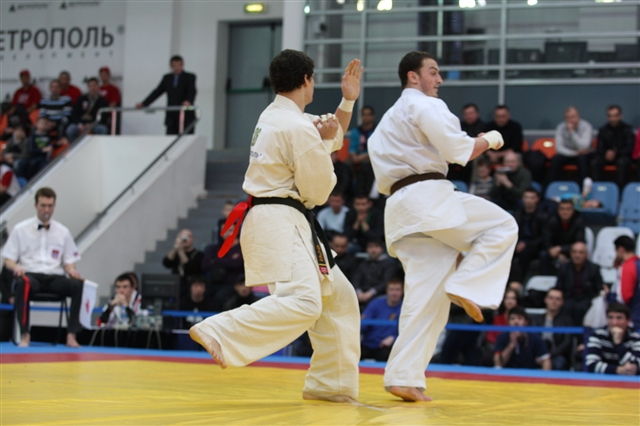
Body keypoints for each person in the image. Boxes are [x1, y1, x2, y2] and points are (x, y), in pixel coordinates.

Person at [189, 50, 363, 403]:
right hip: (280, 221)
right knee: (304, 302)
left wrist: (347, 101)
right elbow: (318, 190)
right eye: (313, 79)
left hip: (279, 218)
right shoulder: (296, 126)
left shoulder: (275, 116)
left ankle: (331, 385)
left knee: (339, 299)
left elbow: (330, 136)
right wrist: (324, 144)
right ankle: (220, 331)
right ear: (306, 80)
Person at [367, 51, 518, 401]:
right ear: (413, 77)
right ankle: (468, 286)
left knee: (425, 300)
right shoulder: (423, 104)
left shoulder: (387, 120)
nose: (439, 79)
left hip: (400, 210)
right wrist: (491, 138)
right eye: (433, 72)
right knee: (503, 225)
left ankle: (403, 377)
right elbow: (458, 150)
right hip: (427, 197)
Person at [1, 187, 83, 347]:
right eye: (43, 205)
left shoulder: (63, 231)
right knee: (22, 284)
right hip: (31, 275)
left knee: (77, 285)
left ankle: (71, 335)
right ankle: (25, 334)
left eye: (50, 206)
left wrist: (71, 269)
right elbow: (8, 260)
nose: (47, 210)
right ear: (36, 205)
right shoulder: (20, 229)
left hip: (55, 277)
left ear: (54, 206)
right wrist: (16, 267)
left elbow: (69, 261)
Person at [136, 55, 197, 135]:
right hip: (171, 116)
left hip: (186, 115)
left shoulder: (190, 77)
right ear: (171, 66)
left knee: (186, 138)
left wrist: (189, 101)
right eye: (175, 65)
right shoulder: (167, 78)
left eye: (179, 65)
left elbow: (192, 90)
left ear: (182, 65)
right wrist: (144, 103)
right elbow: (157, 92)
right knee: (170, 137)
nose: (177, 68)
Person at [555, 242, 603, 325]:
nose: (577, 255)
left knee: (581, 308)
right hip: (568, 298)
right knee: (566, 307)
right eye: (574, 252)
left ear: (586, 255)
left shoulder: (594, 269)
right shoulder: (564, 268)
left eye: (581, 252)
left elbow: (598, 288)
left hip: (587, 299)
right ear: (570, 254)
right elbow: (559, 287)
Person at [585, 303, 640, 375]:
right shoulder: (597, 335)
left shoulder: (635, 337)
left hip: (629, 380)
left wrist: (618, 344)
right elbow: (591, 365)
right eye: (610, 317)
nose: (614, 323)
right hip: (601, 379)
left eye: (619, 318)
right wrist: (618, 370)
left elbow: (635, 366)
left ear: (628, 321)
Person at [591, 105, 635, 190]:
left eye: (615, 116)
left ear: (620, 116)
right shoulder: (603, 130)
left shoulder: (627, 129)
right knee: (595, 162)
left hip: (622, 156)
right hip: (606, 157)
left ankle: (620, 191)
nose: (613, 119)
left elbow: (629, 147)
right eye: (610, 116)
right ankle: (597, 189)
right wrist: (606, 153)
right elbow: (599, 148)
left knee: (622, 163)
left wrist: (616, 153)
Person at [201, 225, 244, 311]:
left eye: (230, 230)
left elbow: (236, 264)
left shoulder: (241, 248)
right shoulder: (214, 248)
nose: (228, 233)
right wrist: (229, 260)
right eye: (225, 230)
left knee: (219, 298)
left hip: (233, 284)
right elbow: (204, 265)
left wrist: (215, 260)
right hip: (214, 282)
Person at [360, 278, 403, 362]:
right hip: (368, 344)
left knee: (388, 355)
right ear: (387, 291)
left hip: (388, 347)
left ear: (402, 291)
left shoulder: (406, 307)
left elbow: (409, 330)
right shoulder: (376, 303)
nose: (394, 293)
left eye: (398, 290)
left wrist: (394, 338)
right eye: (391, 290)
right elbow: (362, 325)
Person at [548, 107, 593, 185]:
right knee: (556, 159)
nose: (571, 120)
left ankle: (584, 187)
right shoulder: (561, 127)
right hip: (569, 153)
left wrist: (572, 132)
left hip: (583, 154)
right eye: (568, 118)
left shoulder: (586, 126)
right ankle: (550, 187)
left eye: (573, 117)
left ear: (578, 116)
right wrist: (574, 153)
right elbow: (559, 148)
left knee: (582, 159)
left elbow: (584, 147)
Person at [530, 288, 574, 370]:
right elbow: (532, 339)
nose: (554, 301)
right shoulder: (536, 320)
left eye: (557, 299)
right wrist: (540, 354)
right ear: (545, 299)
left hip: (556, 355)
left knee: (559, 363)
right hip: (538, 354)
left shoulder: (566, 321)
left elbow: (567, 343)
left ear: (562, 302)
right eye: (551, 298)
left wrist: (549, 355)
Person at [540, 199, 586, 275]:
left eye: (568, 209)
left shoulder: (579, 221)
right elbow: (546, 240)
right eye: (562, 209)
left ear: (573, 211)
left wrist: (560, 249)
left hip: (571, 250)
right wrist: (556, 252)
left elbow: (580, 242)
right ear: (558, 210)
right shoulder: (551, 220)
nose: (565, 212)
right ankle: (545, 278)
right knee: (543, 254)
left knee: (578, 254)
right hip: (554, 251)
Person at [511, 187, 547, 283]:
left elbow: (544, 237)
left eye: (532, 198)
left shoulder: (543, 216)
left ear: (537, 199)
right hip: (518, 244)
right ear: (523, 199)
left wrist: (527, 244)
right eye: (526, 197)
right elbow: (511, 232)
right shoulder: (517, 214)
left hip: (535, 246)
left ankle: (519, 282)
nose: (529, 200)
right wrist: (517, 243)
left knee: (525, 253)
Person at [351, 238, 399, 309]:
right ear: (366, 249)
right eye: (370, 247)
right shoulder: (363, 264)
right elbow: (356, 279)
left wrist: (371, 292)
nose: (373, 250)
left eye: (376, 247)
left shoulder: (389, 264)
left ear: (382, 249)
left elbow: (386, 282)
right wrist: (358, 292)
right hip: (361, 294)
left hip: (380, 294)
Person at [162, 229, 204, 297]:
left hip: (190, 284)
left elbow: (190, 268)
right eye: (182, 236)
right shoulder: (175, 253)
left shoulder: (199, 255)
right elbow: (166, 263)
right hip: (176, 283)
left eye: (188, 236)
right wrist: (175, 248)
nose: (185, 239)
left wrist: (180, 250)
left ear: (193, 240)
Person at [66, 78, 109, 142]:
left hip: (95, 124)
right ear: (88, 87)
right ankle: (76, 147)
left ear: (98, 86)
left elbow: (104, 117)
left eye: (94, 85)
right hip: (80, 123)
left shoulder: (103, 101)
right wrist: (80, 124)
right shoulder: (81, 98)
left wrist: (91, 125)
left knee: (103, 129)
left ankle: (98, 146)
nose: (92, 88)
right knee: (70, 130)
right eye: (90, 86)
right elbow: (74, 113)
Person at [350, 105, 376, 196]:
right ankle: (348, 194)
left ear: (373, 116)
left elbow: (377, 148)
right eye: (364, 115)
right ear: (361, 116)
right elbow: (352, 148)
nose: (366, 117)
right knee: (344, 166)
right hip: (357, 158)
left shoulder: (377, 130)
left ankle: (367, 195)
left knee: (367, 165)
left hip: (371, 158)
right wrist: (354, 156)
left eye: (368, 115)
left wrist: (362, 157)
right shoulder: (356, 131)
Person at [613, 236, 639, 327]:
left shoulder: (627, 267)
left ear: (621, 249)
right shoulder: (637, 264)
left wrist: (609, 296)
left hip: (634, 318)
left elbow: (624, 297)